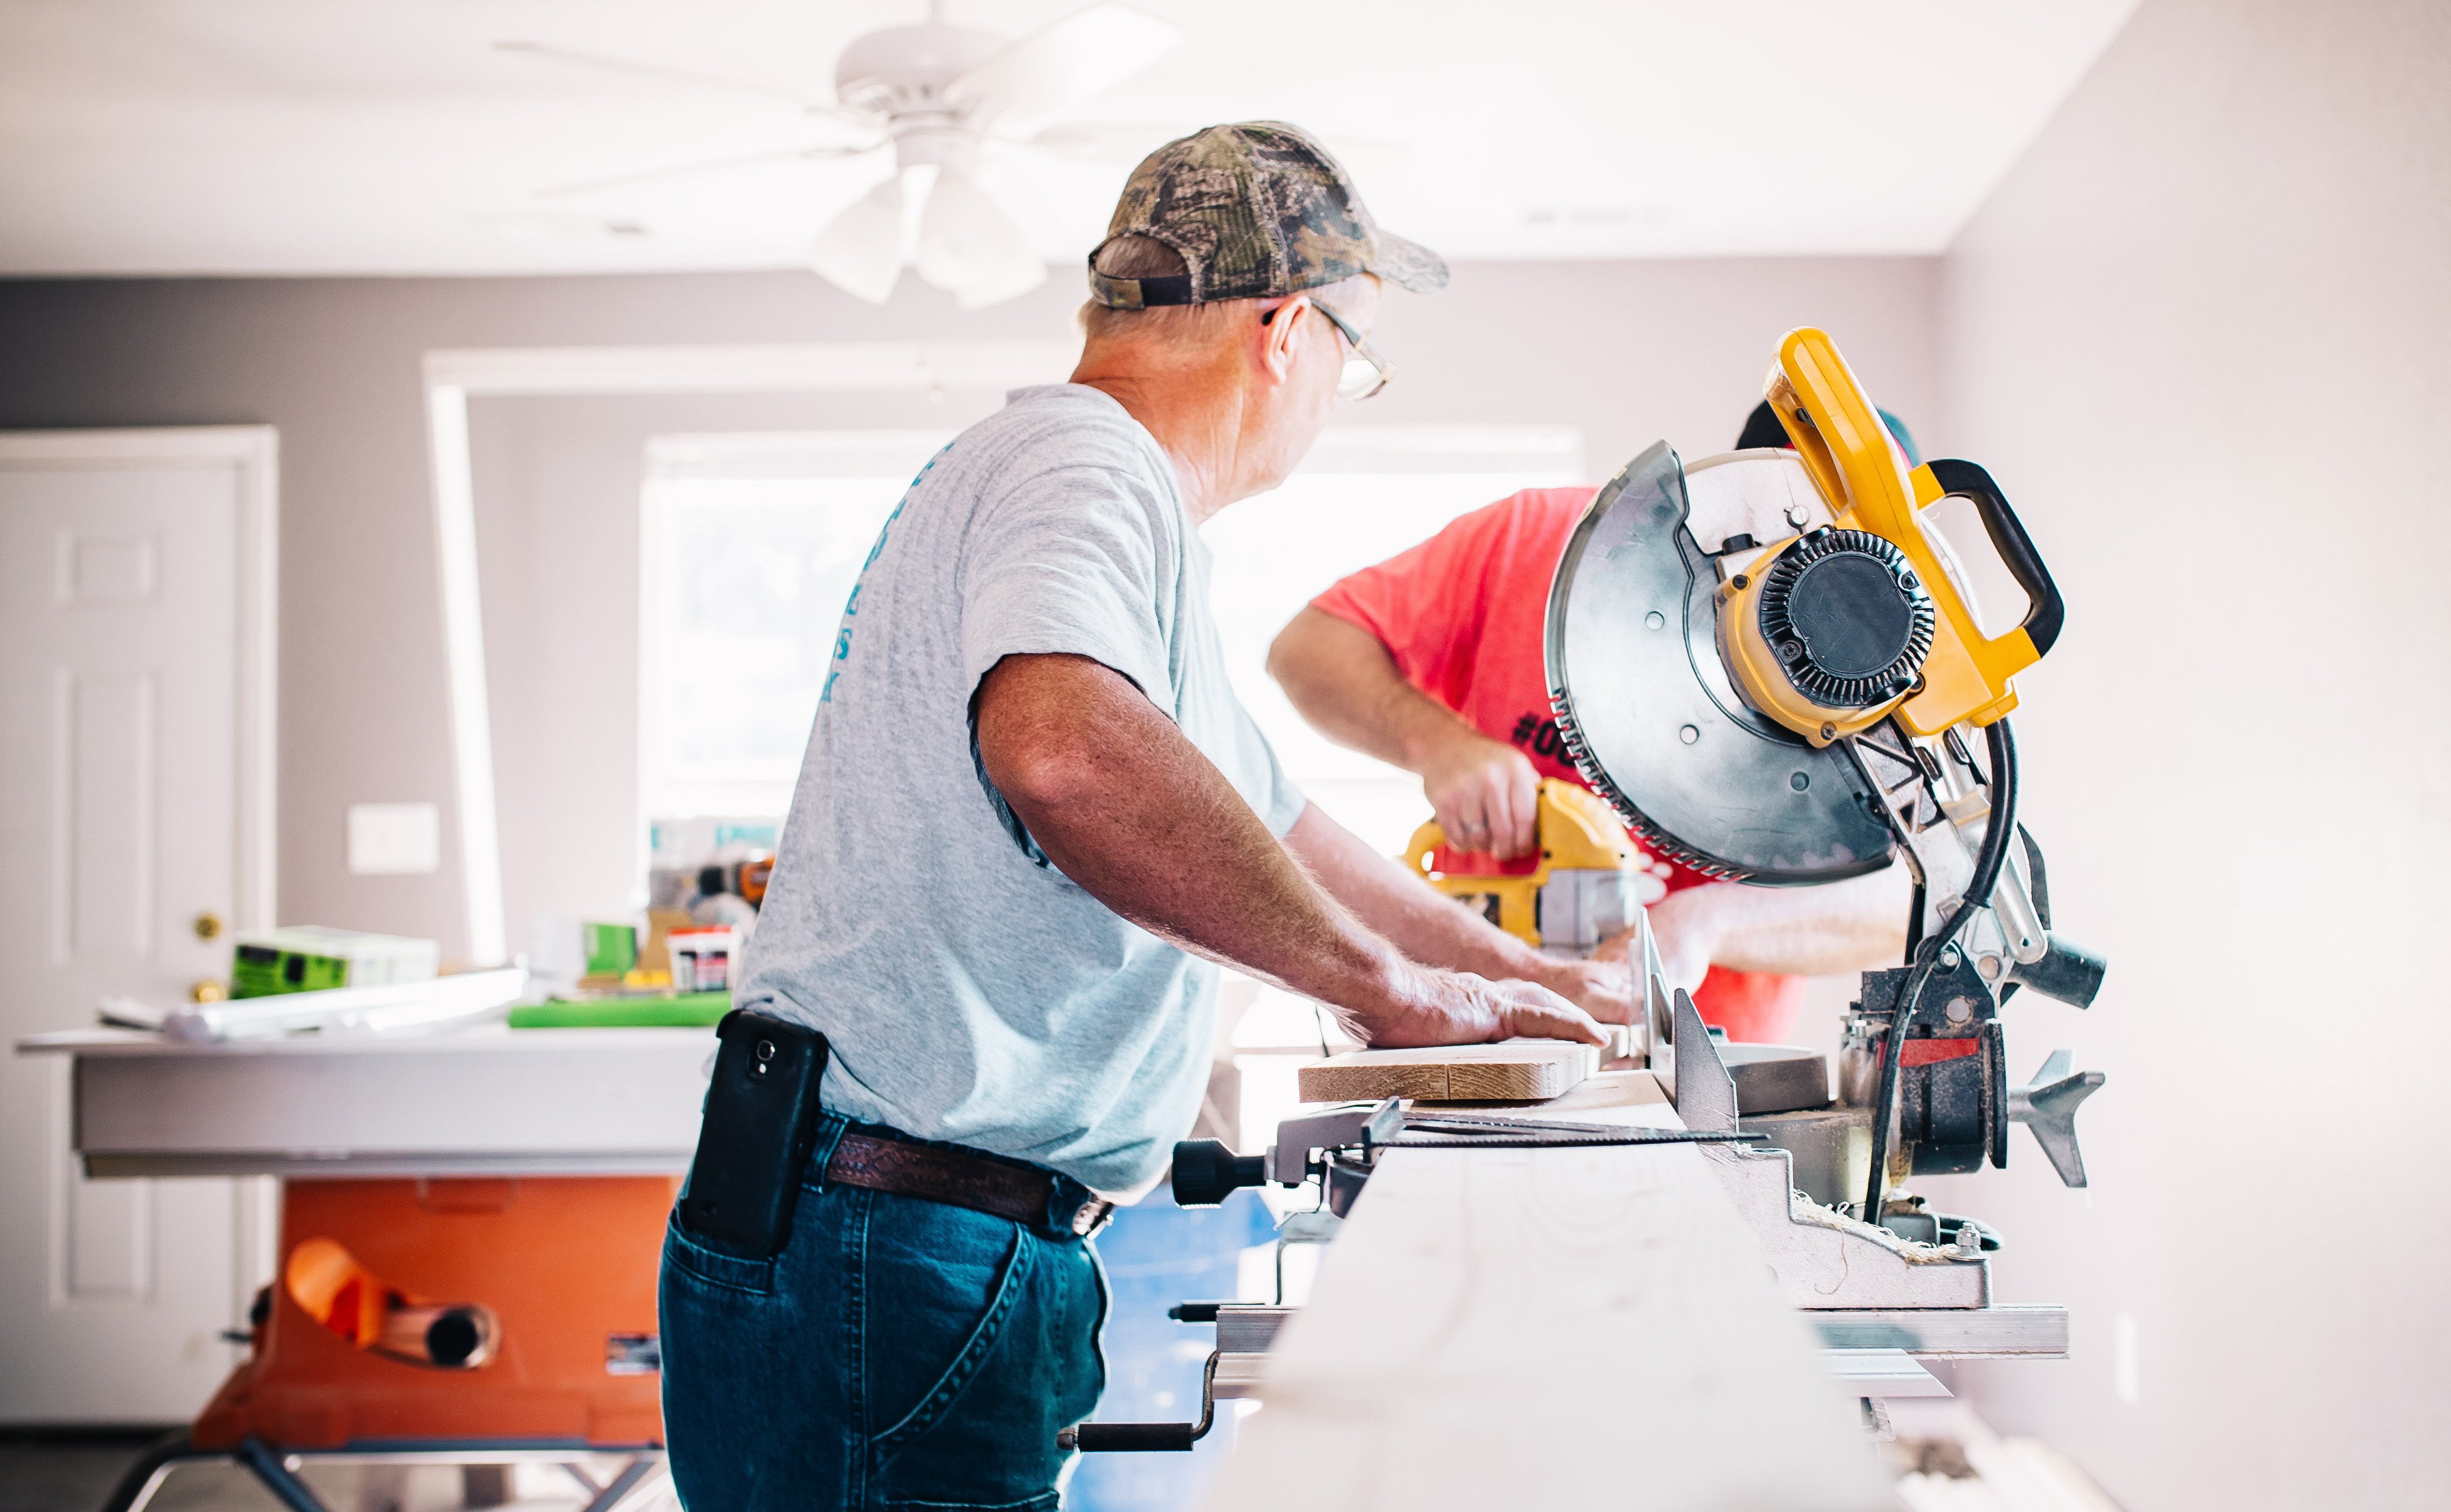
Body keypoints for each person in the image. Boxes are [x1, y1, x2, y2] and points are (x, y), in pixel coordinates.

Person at [657, 122, 1626, 1512]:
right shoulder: (1085, 464)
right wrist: (1385, 990)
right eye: (1353, 354)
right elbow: (1064, 754)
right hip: (894, 1236)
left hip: (892, 1228)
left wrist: (1512, 975)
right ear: (1285, 332)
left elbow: (1280, 825)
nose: (1337, 391)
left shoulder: (1095, 503)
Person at [1267, 404, 1922, 1044]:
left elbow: (1911, 899)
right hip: (1479, 1025)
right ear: (1725, 493)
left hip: (1704, 1064)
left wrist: (1707, 921)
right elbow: (1307, 650)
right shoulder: (1536, 540)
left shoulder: (1890, 676)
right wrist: (1438, 744)